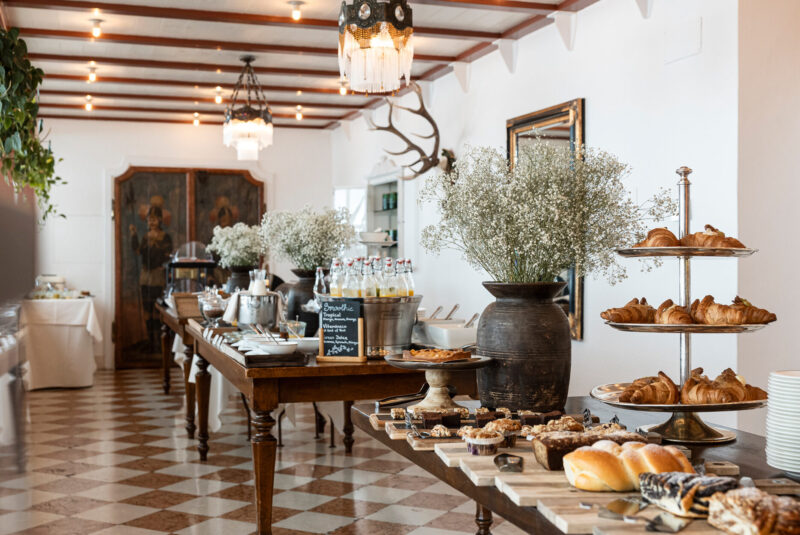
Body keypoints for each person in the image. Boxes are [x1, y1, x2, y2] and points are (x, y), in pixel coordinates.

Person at [130, 205, 173, 352]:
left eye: (154, 219)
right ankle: (150, 340)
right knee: (147, 308)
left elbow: (168, 254)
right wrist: (134, 235)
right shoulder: (145, 237)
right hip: (146, 276)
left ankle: (159, 341)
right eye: (149, 220)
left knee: (157, 308)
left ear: (160, 220)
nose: (152, 222)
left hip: (157, 276)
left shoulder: (165, 237)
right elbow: (138, 251)